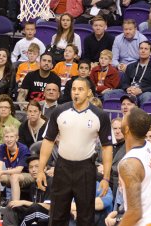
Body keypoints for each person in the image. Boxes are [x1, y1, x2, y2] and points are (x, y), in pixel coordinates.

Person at [37, 77, 112, 226]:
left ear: (89, 92)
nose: (76, 93)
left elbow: (107, 146)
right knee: (57, 215)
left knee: (85, 217)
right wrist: (40, 170)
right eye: (73, 89)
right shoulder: (59, 111)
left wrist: (106, 178)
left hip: (86, 169)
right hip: (62, 167)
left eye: (80, 89)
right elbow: (48, 140)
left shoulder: (100, 115)